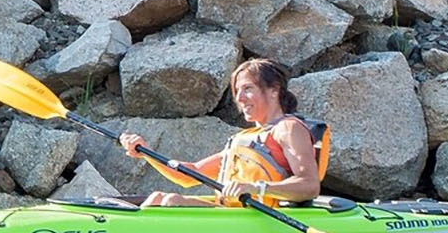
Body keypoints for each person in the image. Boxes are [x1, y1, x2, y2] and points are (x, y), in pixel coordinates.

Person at [118, 58, 327, 208]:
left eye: (247, 89)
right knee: (158, 197)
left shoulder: (289, 128)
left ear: (274, 90)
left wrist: (255, 188)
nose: (240, 98)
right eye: (237, 92)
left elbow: (309, 186)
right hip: (231, 211)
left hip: (261, 217)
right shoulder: (246, 139)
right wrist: (145, 151)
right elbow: (190, 175)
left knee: (172, 201)